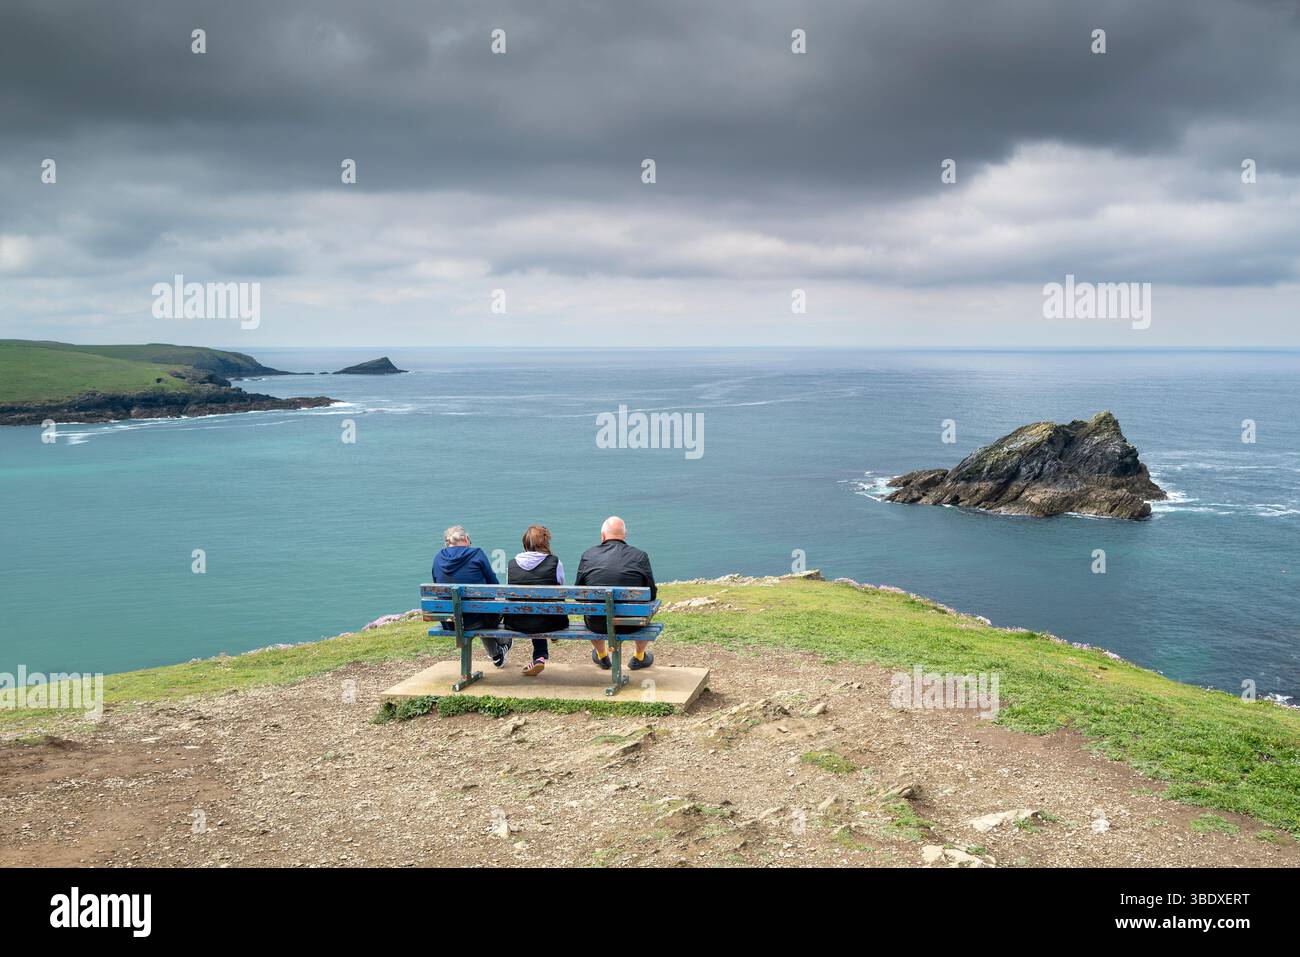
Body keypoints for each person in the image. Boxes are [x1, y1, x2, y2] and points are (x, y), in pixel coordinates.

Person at [574, 516, 657, 671]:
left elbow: (579, 594)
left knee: (592, 611)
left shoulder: (588, 555)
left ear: (603, 536)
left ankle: (601, 655)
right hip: (632, 624)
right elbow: (651, 594)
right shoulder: (640, 556)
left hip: (598, 624)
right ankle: (639, 657)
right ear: (624, 535)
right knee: (649, 609)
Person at [432, 525, 511, 667]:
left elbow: (437, 585)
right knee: (488, 609)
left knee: (479, 609)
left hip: (450, 622)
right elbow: (494, 585)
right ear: (466, 539)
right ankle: (502, 644)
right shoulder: (476, 554)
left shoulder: (438, 557)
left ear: (447, 542)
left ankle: (497, 654)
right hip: (476, 620)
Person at [504, 524, 569, 677]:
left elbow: (509, 594)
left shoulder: (512, 564)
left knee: (532, 610)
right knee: (542, 610)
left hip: (517, 621)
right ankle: (542, 651)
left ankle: (539, 657)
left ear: (525, 543)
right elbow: (561, 590)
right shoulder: (555, 562)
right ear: (545, 542)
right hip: (551, 621)